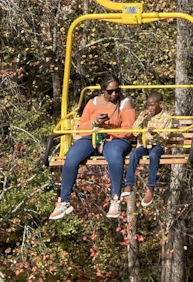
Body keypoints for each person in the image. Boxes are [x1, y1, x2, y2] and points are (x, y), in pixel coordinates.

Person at [49, 73, 136, 220]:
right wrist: (95, 122)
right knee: (72, 156)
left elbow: (129, 130)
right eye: (110, 91)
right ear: (102, 90)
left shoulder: (124, 103)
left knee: (114, 155)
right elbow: (82, 127)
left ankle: (115, 199)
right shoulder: (93, 103)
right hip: (94, 136)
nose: (114, 94)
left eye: (117, 90)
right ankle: (64, 200)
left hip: (116, 138)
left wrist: (108, 131)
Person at [123, 92, 178, 207]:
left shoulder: (166, 118)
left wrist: (155, 133)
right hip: (144, 145)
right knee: (134, 154)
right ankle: (129, 184)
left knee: (153, 155)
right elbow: (135, 132)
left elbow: (166, 136)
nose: (150, 108)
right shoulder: (145, 116)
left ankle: (150, 188)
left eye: (152, 105)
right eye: (148, 105)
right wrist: (140, 118)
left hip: (157, 146)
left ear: (160, 104)